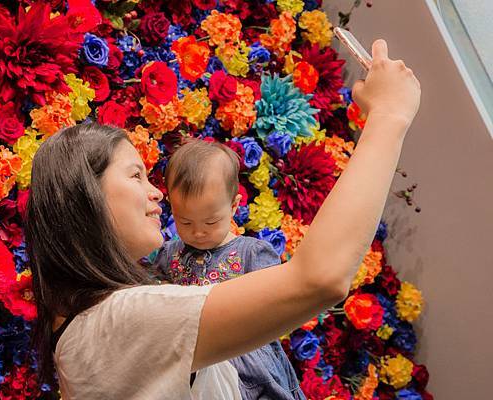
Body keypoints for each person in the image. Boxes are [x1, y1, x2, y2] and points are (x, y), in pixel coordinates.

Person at [25, 40, 421, 399]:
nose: (156, 193)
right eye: (134, 174)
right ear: (85, 195)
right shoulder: (116, 322)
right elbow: (319, 278)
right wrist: (389, 115)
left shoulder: (93, 330)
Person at [153, 139, 305, 399]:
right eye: (185, 221)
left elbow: (274, 308)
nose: (198, 232)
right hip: (192, 363)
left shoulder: (253, 253)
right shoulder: (170, 254)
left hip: (245, 358)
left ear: (234, 206)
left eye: (211, 221)